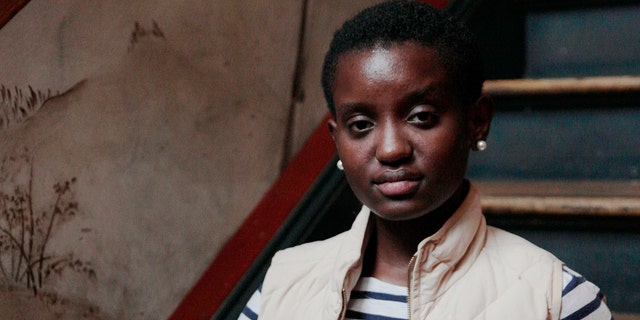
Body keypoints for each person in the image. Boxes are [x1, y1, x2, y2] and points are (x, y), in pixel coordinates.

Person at [239, 1, 612, 319]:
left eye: (421, 117)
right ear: (337, 140)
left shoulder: (558, 300)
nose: (390, 150)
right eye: (361, 124)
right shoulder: (281, 286)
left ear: (477, 121)